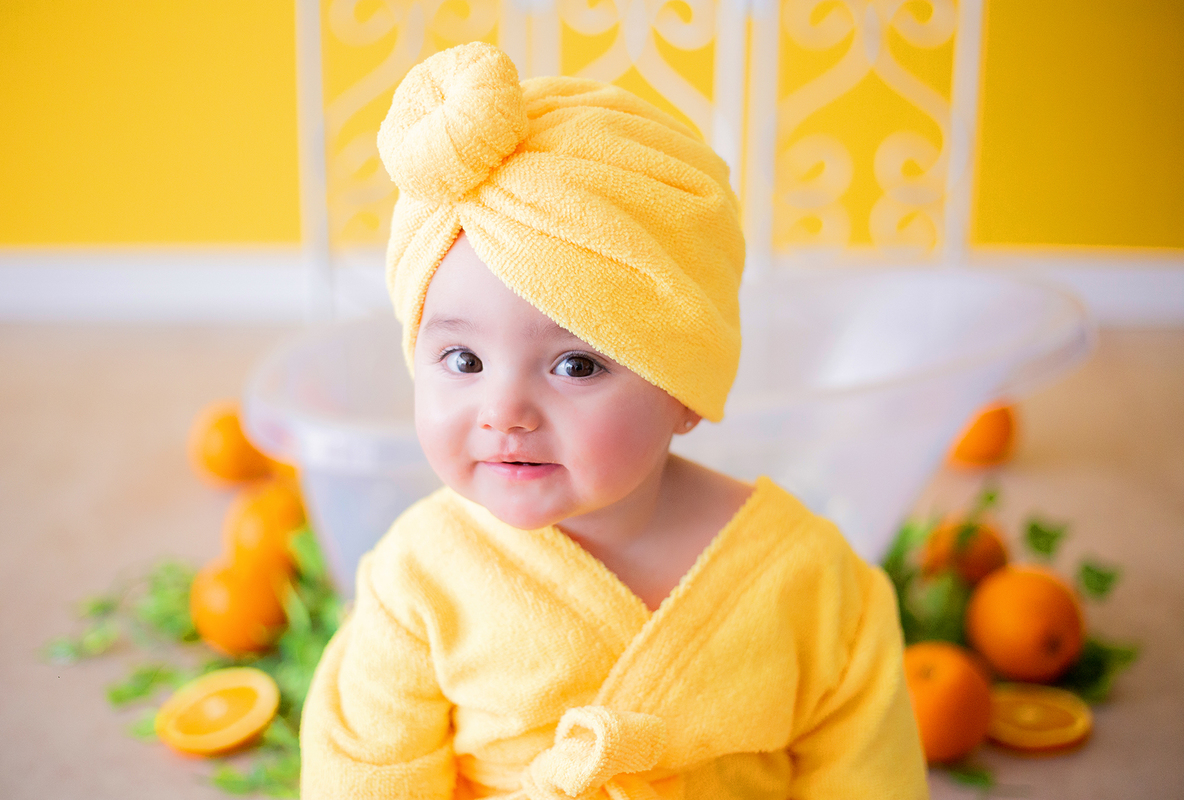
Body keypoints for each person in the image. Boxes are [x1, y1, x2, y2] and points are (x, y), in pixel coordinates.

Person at [299, 41, 928, 799]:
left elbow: (866, 778)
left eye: (576, 365)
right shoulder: (418, 578)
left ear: (681, 388)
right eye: (463, 360)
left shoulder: (812, 583)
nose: (504, 412)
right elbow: (365, 775)